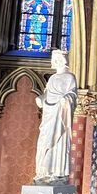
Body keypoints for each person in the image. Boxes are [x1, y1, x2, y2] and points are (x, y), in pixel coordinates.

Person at [34, 50, 77, 184]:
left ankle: (58, 173)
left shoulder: (70, 77)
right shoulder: (52, 78)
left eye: (57, 59)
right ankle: (43, 173)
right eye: (54, 59)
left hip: (61, 116)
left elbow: (73, 95)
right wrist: (41, 99)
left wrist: (66, 99)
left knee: (59, 143)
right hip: (49, 114)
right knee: (43, 143)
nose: (54, 62)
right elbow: (47, 94)